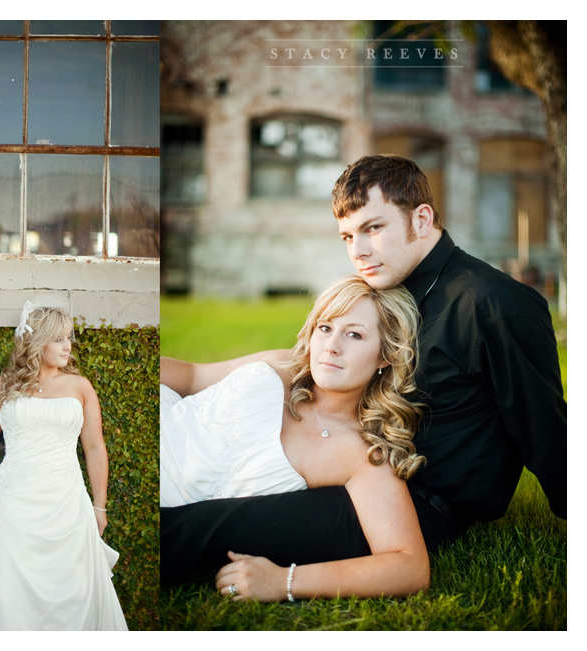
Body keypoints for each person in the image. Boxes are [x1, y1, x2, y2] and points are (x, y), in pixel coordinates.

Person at [160, 154, 566, 592]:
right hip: (338, 458)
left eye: (374, 228)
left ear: (422, 219)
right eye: (348, 236)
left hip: (417, 498)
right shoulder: (386, 286)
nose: (359, 251)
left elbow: (545, 428)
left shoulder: (494, 303)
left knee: (214, 522)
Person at [162, 275, 430, 600]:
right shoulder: (280, 365)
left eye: (354, 335)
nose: (331, 346)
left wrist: (283, 581)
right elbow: (193, 377)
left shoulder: (360, 454)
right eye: (325, 327)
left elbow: (409, 565)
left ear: (385, 355)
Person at [0, 297, 128, 630]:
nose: (67, 345)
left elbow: (94, 447)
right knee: (5, 587)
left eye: (68, 337)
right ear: (36, 342)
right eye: (58, 339)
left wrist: (99, 509)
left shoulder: (80, 386)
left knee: (70, 589)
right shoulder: (4, 385)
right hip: (14, 502)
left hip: (66, 503)